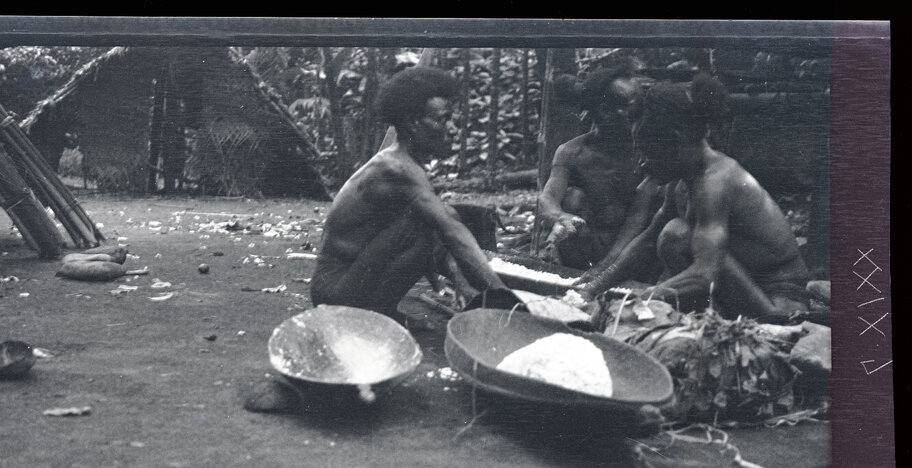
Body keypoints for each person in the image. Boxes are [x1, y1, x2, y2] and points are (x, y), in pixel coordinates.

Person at [577, 75, 809, 319]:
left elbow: (704, 273)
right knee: (670, 233)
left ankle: (716, 319)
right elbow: (646, 242)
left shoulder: (715, 182)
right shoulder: (683, 180)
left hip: (779, 305)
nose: (642, 164)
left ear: (675, 141)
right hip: (747, 290)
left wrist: (638, 300)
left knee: (677, 235)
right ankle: (708, 315)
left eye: (646, 153)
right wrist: (592, 289)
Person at [311, 67, 508, 322]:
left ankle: (382, 312)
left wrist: (460, 280)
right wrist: (502, 293)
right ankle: (374, 316)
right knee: (429, 221)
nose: (452, 128)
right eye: (443, 119)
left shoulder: (406, 165)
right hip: (334, 294)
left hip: (347, 284)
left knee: (439, 215)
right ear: (413, 123)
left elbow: (440, 232)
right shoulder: (395, 168)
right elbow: (450, 230)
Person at [532, 60, 662, 274]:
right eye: (615, 106)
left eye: (629, 106)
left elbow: (637, 218)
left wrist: (606, 268)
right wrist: (562, 218)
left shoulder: (646, 154)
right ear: (597, 108)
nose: (623, 114)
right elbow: (547, 200)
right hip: (587, 249)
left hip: (631, 251)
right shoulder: (572, 152)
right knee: (573, 198)